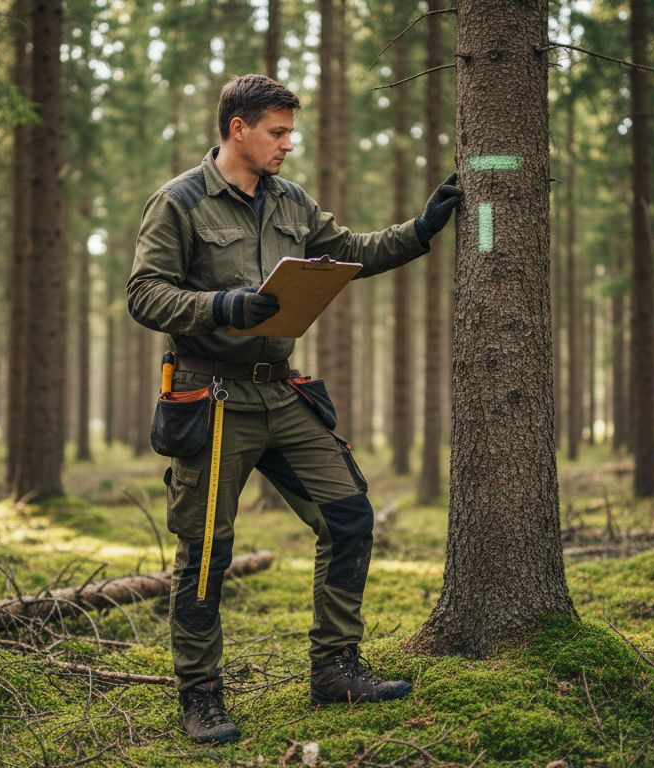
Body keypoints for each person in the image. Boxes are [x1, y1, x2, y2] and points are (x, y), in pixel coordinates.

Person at [127, 74, 460, 744]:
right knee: (206, 553)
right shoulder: (180, 203)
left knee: (348, 516)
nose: (288, 144)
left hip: (280, 391)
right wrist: (222, 305)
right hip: (211, 398)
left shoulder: (292, 203)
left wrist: (422, 229)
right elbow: (145, 294)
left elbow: (353, 253)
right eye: (277, 132)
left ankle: (335, 668)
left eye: (291, 131)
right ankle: (202, 696)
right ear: (237, 129)